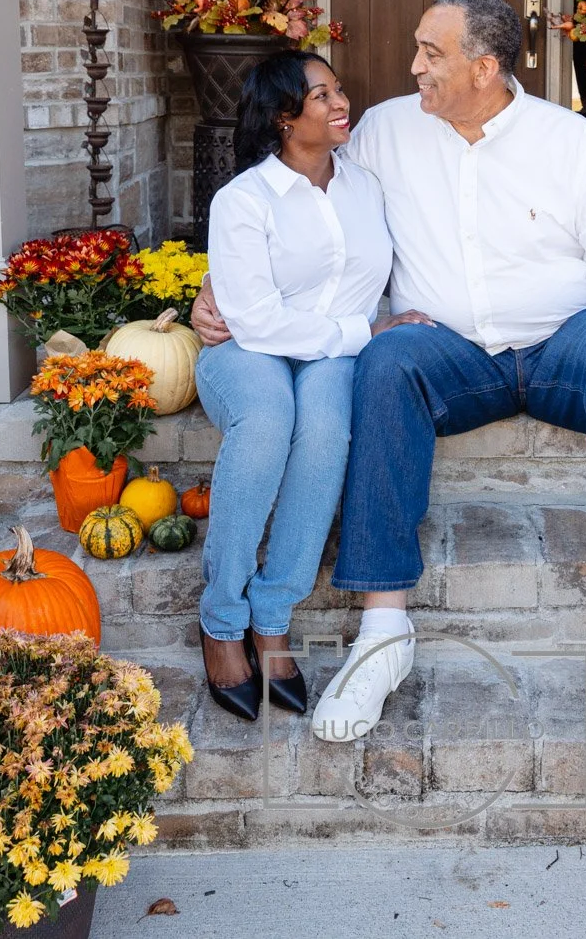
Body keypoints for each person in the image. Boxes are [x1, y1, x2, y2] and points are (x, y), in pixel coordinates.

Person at [192, 0, 586, 743]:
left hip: (558, 343)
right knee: (386, 357)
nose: (412, 67)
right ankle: (383, 634)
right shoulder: (385, 131)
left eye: (432, 53)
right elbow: (291, 191)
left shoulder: (569, 141)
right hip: (449, 353)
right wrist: (217, 284)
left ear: (484, 68)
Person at [194, 49, 431, 722]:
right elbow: (257, 320)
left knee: (325, 429)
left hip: (332, 353)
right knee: (270, 420)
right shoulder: (243, 200)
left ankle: (272, 614)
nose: (339, 103)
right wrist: (364, 333)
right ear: (282, 118)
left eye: (337, 89)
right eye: (321, 96)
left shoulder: (367, 186)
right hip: (247, 350)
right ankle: (220, 619)